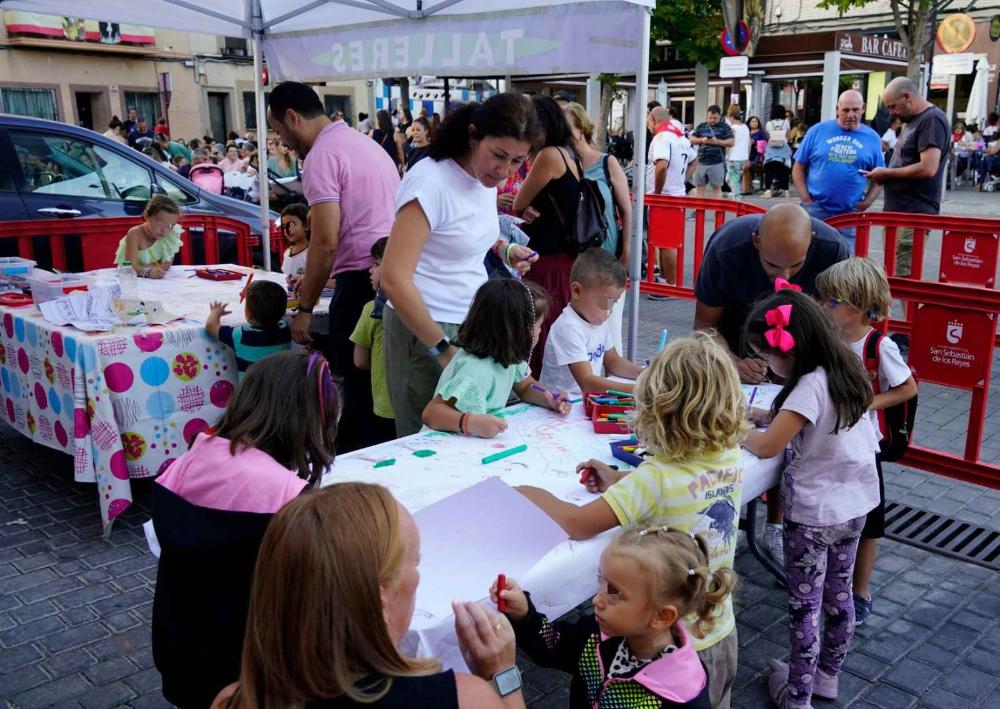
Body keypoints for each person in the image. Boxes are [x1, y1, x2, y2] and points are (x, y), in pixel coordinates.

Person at [520, 333, 747, 708]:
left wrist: (528, 492)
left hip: (659, 646)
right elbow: (688, 487)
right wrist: (619, 480)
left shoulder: (655, 478)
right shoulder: (729, 457)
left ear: (658, 409)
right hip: (718, 629)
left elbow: (577, 523)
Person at [212, 483, 525, 708]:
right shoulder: (465, 698)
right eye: (416, 560)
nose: (418, 575)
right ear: (379, 602)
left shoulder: (233, 699)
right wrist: (502, 672)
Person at [153, 351, 337, 709]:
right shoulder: (288, 497)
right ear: (308, 419)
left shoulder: (192, 459)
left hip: (181, 646)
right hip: (250, 669)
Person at [741, 290, 879, 709]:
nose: (768, 368)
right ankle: (827, 678)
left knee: (805, 607)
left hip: (814, 515)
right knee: (839, 597)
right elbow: (807, 421)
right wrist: (766, 417)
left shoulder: (807, 386)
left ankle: (797, 694)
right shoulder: (844, 369)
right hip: (854, 505)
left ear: (789, 349)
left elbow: (766, 449)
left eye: (768, 357)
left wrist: (736, 431)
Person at [380, 94, 540, 437]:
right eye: (498, 155)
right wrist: (440, 347)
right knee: (428, 445)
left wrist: (503, 249)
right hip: (424, 327)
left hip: (468, 325)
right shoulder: (431, 182)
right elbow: (393, 278)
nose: (504, 171)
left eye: (517, 161)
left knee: (471, 439)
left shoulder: (482, 177)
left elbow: (461, 230)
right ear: (473, 136)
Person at [268, 81, 400, 454]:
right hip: (389, 275)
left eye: (280, 132)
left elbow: (324, 241)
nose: (284, 143)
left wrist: (305, 309)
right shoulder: (363, 143)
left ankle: (353, 475)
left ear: (293, 118)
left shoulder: (322, 156)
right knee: (379, 388)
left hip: (361, 283)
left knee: (356, 391)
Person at [494, 527, 734, 708]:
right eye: (602, 582)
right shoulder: (598, 635)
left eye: (614, 593)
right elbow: (554, 644)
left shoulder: (682, 693)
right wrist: (524, 614)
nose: (597, 600)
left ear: (661, 616)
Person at [815, 258, 917, 626]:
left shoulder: (879, 345)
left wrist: (868, 404)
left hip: (863, 449)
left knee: (869, 523)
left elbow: (907, 387)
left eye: (831, 301)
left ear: (857, 304)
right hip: (829, 445)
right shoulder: (829, 340)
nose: (824, 306)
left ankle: (860, 591)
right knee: (833, 515)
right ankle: (830, 581)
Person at [693, 203, 849, 382]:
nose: (784, 278)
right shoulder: (725, 252)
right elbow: (704, 326)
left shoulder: (833, 251)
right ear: (756, 242)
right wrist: (731, 362)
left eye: (797, 265)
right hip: (736, 339)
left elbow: (841, 323)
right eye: (773, 265)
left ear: (811, 241)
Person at [423, 279, 570, 438]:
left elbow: (526, 386)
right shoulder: (476, 371)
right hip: (443, 445)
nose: (541, 331)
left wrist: (549, 399)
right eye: (539, 325)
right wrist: (471, 423)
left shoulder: (508, 357)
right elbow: (432, 413)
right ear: (518, 330)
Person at [513, 95, 585, 377]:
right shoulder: (570, 153)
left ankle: (535, 390)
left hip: (545, 261)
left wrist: (520, 204)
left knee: (538, 331)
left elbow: (519, 201)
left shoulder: (549, 155)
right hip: (564, 258)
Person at [563, 101, 632, 353]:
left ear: (582, 129)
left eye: (569, 128)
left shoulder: (606, 162)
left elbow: (626, 209)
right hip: (577, 260)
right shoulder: (563, 164)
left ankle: (614, 380)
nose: (566, 135)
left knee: (609, 326)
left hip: (607, 256)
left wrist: (627, 249)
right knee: (581, 327)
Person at [865, 77, 950, 277]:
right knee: (895, 273)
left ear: (907, 97)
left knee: (904, 276)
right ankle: (894, 310)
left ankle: (910, 310)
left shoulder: (931, 120)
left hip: (913, 213)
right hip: (900, 212)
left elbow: (929, 167)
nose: (891, 112)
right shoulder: (914, 121)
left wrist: (887, 173)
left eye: (893, 106)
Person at [539, 248, 643, 396]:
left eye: (614, 303)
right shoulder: (568, 327)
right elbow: (587, 382)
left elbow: (613, 361)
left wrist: (644, 374)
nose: (609, 310)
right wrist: (637, 390)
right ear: (576, 291)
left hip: (582, 403)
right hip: (560, 407)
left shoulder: (598, 320)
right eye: (604, 302)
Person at [791, 89, 884, 252]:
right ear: (837, 109)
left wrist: (867, 202)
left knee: (845, 260)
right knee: (810, 255)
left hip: (849, 212)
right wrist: (806, 198)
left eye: (855, 110)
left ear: (863, 108)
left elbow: (880, 175)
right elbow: (798, 167)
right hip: (816, 208)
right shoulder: (817, 131)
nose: (850, 115)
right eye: (845, 110)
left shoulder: (872, 137)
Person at [350, 237, 396, 445]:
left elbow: (359, 360)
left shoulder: (371, 309)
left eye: (376, 264)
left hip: (384, 401)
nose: (370, 270)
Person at [206, 280, 292, 380]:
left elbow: (210, 325)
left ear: (248, 312)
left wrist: (216, 312)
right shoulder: (285, 329)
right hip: (279, 390)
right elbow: (270, 304)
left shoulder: (242, 335)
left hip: (250, 393)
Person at [645, 106, 691, 288]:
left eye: (648, 120)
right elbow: (694, 161)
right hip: (675, 194)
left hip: (664, 197)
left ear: (653, 120)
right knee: (667, 241)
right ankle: (666, 278)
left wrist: (657, 192)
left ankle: (668, 283)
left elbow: (662, 165)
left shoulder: (661, 138)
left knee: (666, 243)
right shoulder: (680, 137)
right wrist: (681, 180)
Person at [114, 195, 184, 278]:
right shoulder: (135, 234)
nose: (165, 230)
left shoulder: (171, 234)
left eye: (171, 225)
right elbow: (130, 268)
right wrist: (148, 272)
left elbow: (167, 264)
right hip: (132, 282)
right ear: (146, 216)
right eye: (161, 223)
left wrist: (141, 268)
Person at [689, 105, 735, 199]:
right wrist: (702, 140)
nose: (712, 120)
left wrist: (717, 142)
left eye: (715, 118)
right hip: (701, 162)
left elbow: (731, 142)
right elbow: (691, 139)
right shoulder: (702, 126)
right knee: (699, 188)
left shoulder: (725, 127)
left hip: (717, 163)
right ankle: (699, 211)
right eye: (710, 118)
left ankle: (717, 212)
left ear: (720, 116)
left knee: (717, 188)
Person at [763, 105, 792, 198]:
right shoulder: (786, 122)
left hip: (771, 148)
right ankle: (785, 190)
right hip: (783, 147)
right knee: (785, 169)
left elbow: (768, 136)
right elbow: (788, 136)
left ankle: (768, 190)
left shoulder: (768, 123)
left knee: (769, 169)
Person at [279, 203, 311, 287]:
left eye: (291, 225)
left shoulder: (313, 252)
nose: (287, 230)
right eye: (284, 226)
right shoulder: (287, 252)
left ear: (306, 226)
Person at [725, 106, 750, 198]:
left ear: (731, 117)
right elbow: (749, 143)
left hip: (733, 156)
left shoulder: (733, 128)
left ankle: (736, 198)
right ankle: (735, 195)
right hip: (742, 157)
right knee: (732, 178)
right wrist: (747, 157)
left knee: (732, 180)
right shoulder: (745, 127)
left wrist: (725, 154)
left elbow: (729, 143)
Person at [746, 116, 767, 194]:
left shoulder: (761, 133)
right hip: (746, 153)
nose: (754, 123)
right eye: (752, 121)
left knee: (750, 166)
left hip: (757, 154)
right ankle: (748, 186)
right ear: (749, 123)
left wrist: (755, 142)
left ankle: (749, 186)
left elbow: (764, 143)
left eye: (756, 121)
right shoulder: (746, 131)